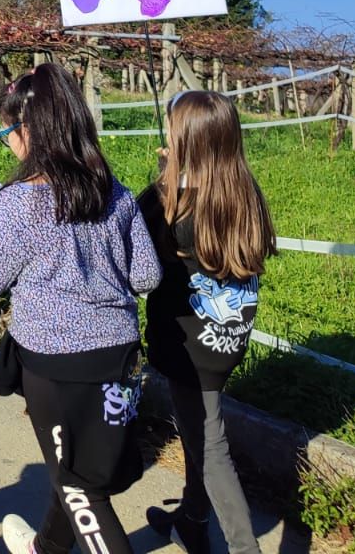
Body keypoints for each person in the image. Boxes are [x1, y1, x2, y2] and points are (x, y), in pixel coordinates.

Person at [0, 63, 162, 554]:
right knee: (77, 471)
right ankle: (47, 548)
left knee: (83, 493)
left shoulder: (16, 203)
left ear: (30, 130)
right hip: (118, 356)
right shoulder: (113, 191)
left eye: (8, 132)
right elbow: (146, 276)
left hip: (56, 369)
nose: (8, 143)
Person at [139, 92, 275, 554]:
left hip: (185, 345)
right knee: (201, 431)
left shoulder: (166, 201)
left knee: (209, 445)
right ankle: (193, 519)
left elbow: (139, 256)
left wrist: (164, 180)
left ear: (186, 142)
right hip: (226, 339)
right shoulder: (245, 194)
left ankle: (244, 548)